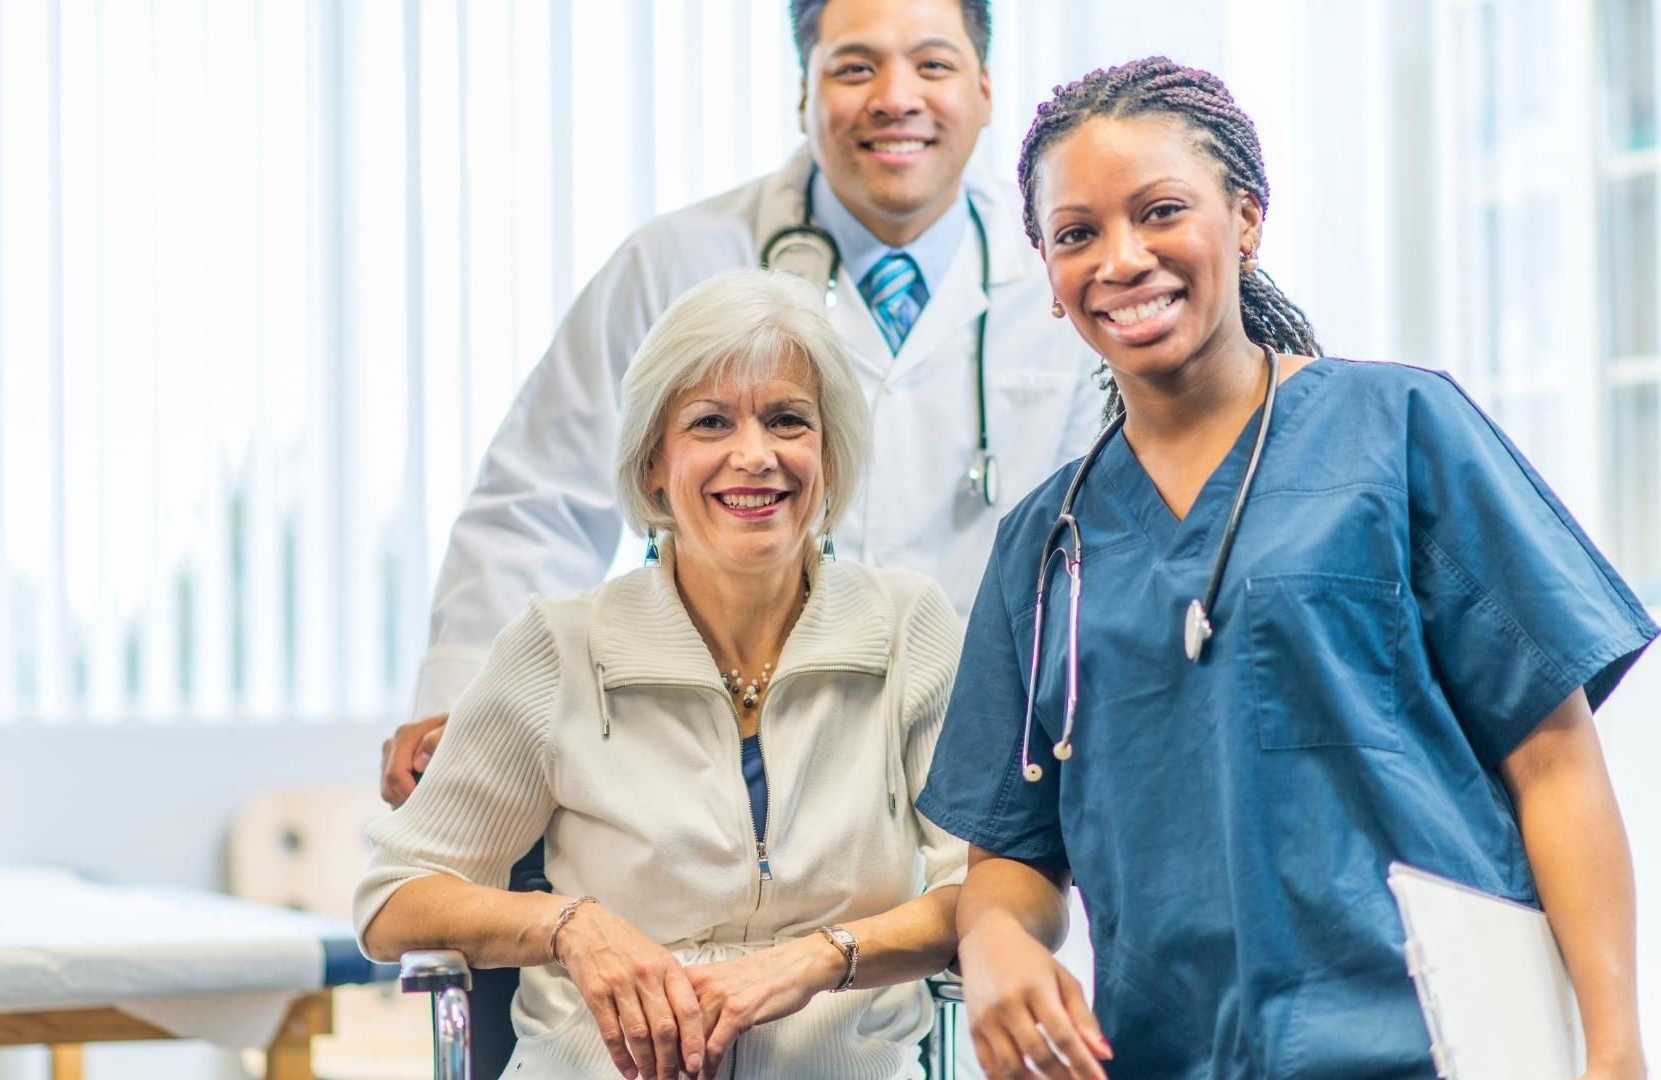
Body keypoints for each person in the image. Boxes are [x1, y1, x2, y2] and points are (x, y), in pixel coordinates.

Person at [916, 57, 1655, 1079]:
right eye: (1077, 233)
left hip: (1436, 1047)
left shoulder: (1396, 430)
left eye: (1161, 211)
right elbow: (1013, 853)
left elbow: (1557, 763)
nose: (1122, 259)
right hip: (1168, 1055)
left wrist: (1615, 1052)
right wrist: (994, 941)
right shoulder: (1049, 543)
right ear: (1046, 270)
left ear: (1247, 221)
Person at [381, 0, 1100, 808]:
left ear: (985, 87)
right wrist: (465, 703)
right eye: (854, 66)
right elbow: (538, 503)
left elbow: (1094, 558)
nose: (896, 97)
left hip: (977, 758)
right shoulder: (676, 260)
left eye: (933, 65)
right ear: (803, 91)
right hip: (716, 765)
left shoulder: (1067, 275)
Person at [356, 269, 970, 1080]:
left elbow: (996, 889)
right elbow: (394, 898)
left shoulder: (906, 629)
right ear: (652, 463)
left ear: (829, 451)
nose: (754, 456)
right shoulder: (558, 646)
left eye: (788, 420)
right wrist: (569, 925)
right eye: (710, 423)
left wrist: (822, 958)